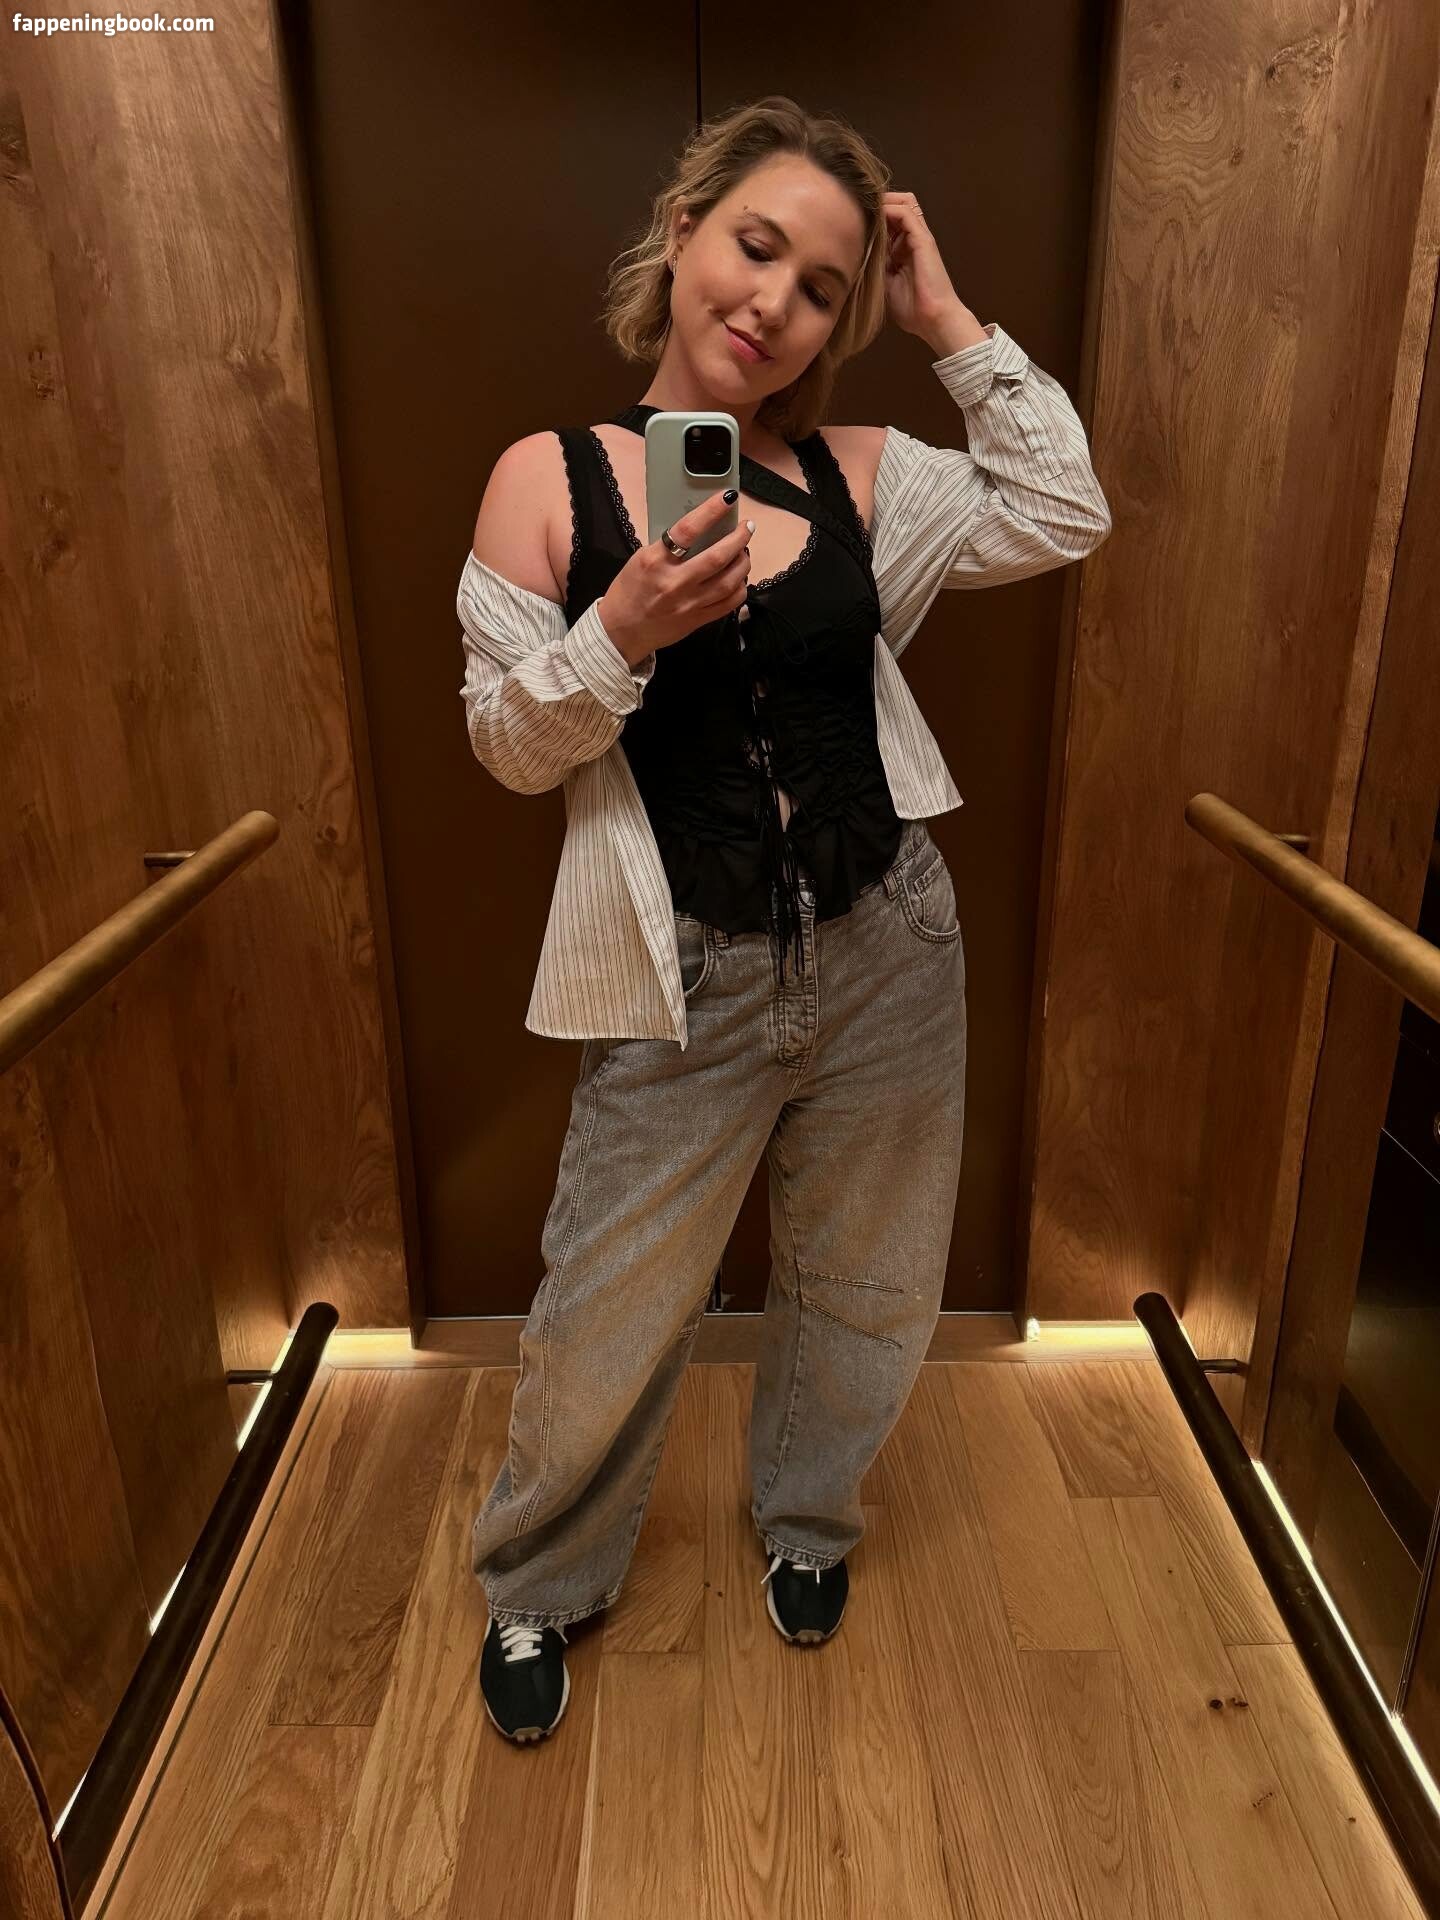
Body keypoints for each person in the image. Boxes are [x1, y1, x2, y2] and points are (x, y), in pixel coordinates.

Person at [457, 94, 1111, 1744]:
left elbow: (1064, 509)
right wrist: (618, 631)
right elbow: (510, 747)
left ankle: (810, 1519)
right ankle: (542, 1579)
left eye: (823, 287)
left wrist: (945, 319)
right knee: (606, 1308)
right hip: (681, 975)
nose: (775, 304)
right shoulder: (548, 479)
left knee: (869, 1280)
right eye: (755, 247)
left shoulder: (860, 472)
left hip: (892, 945)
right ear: (684, 232)